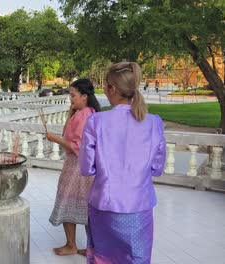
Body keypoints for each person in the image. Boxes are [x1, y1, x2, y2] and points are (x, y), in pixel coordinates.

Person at [79, 62, 166, 263]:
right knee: (137, 258)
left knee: (103, 258)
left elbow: (86, 168)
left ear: (112, 89)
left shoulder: (96, 122)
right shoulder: (154, 122)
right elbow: (157, 168)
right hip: (139, 205)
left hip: (104, 205)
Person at [46, 78, 101, 256]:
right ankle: (91, 247)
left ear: (84, 96)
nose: (71, 98)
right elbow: (67, 133)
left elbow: (76, 146)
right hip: (87, 165)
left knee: (66, 200)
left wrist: (53, 139)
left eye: (73, 95)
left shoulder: (84, 115)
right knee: (88, 206)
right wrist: (71, 111)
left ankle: (71, 245)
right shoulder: (90, 112)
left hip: (77, 166)